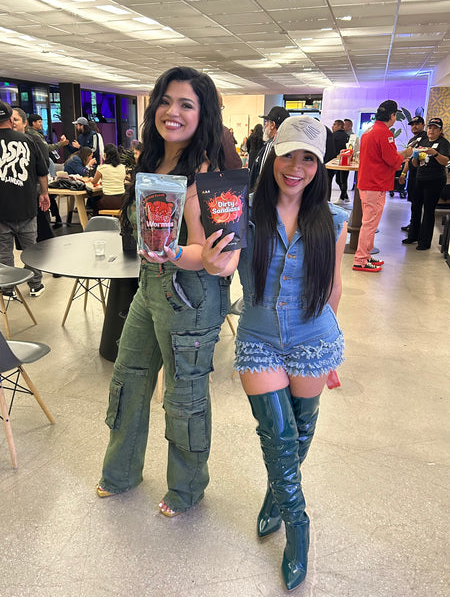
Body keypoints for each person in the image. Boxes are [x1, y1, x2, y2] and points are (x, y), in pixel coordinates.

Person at [202, 116, 348, 591]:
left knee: (301, 432)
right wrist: (184, 254)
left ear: (319, 166)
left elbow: (332, 287)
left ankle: (275, 496)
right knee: (279, 436)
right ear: (272, 156)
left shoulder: (332, 220)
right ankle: (298, 526)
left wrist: (328, 353)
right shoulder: (242, 211)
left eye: (309, 158)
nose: (296, 167)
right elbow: (216, 262)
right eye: (288, 155)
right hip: (259, 339)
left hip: (313, 339)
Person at [96, 67, 230, 518]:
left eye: (186, 104)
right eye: (166, 101)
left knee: (184, 397)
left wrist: (172, 252)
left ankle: (187, 489)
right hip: (148, 288)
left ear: (202, 114)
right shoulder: (152, 161)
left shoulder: (206, 173)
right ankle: (121, 473)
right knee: (128, 379)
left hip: (189, 297)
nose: (172, 112)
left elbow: (205, 254)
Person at [352, 100, 411, 272]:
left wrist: (400, 155)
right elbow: (391, 160)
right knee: (370, 224)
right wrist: (405, 154)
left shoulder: (369, 131)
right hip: (376, 184)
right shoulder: (385, 133)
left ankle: (366, 255)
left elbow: (380, 155)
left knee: (369, 222)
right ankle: (361, 259)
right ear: (392, 115)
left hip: (367, 182)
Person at [0, 101, 49, 297]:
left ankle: (7, 289)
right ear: (11, 120)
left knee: (4, 253)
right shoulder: (28, 141)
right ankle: (35, 285)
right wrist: (44, 194)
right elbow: (42, 172)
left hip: (1, 211)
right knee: (31, 251)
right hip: (26, 206)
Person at [402, 117, 450, 250]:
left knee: (428, 210)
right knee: (415, 207)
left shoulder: (443, 143)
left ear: (440, 131)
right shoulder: (423, 141)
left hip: (435, 180)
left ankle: (425, 242)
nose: (431, 131)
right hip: (420, 178)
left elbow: (445, 161)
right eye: (430, 128)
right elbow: (415, 163)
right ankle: (413, 235)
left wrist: (435, 154)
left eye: (435, 128)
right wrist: (415, 158)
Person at [12, 108, 54, 243]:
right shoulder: (7, 141)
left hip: (33, 191)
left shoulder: (34, 140)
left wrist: (43, 191)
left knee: (41, 235)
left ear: (25, 123)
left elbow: (44, 164)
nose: (12, 123)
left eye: (16, 120)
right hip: (15, 197)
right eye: (10, 120)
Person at [27, 113, 68, 227]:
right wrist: (60, 144)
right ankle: (53, 220)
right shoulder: (33, 135)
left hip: (45, 163)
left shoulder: (37, 134)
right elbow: (46, 148)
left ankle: (56, 219)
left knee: (48, 193)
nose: (41, 124)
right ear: (33, 123)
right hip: (40, 167)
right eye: (39, 122)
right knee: (46, 192)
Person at [249, 106, 290, 190]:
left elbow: (263, 176)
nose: (265, 125)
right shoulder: (288, 146)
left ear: (272, 125)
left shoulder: (271, 145)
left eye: (266, 122)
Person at [398, 116, 427, 232]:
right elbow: (408, 159)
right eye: (412, 124)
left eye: (417, 124)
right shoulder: (412, 140)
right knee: (414, 202)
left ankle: (417, 228)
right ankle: (413, 224)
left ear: (423, 125)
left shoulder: (426, 138)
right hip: (413, 175)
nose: (414, 126)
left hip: (422, 175)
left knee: (418, 203)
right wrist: (403, 174)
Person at [90, 143, 126, 213]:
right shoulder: (122, 167)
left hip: (108, 201)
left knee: (93, 201)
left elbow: (94, 182)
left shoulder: (102, 168)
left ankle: (97, 219)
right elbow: (122, 181)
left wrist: (91, 179)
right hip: (122, 201)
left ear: (105, 155)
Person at [328, 119, 349, 202]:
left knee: (332, 180)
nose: (333, 126)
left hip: (333, 162)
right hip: (345, 161)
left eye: (334, 125)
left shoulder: (333, 136)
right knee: (342, 180)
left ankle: (342, 197)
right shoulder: (347, 136)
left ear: (340, 126)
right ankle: (345, 197)